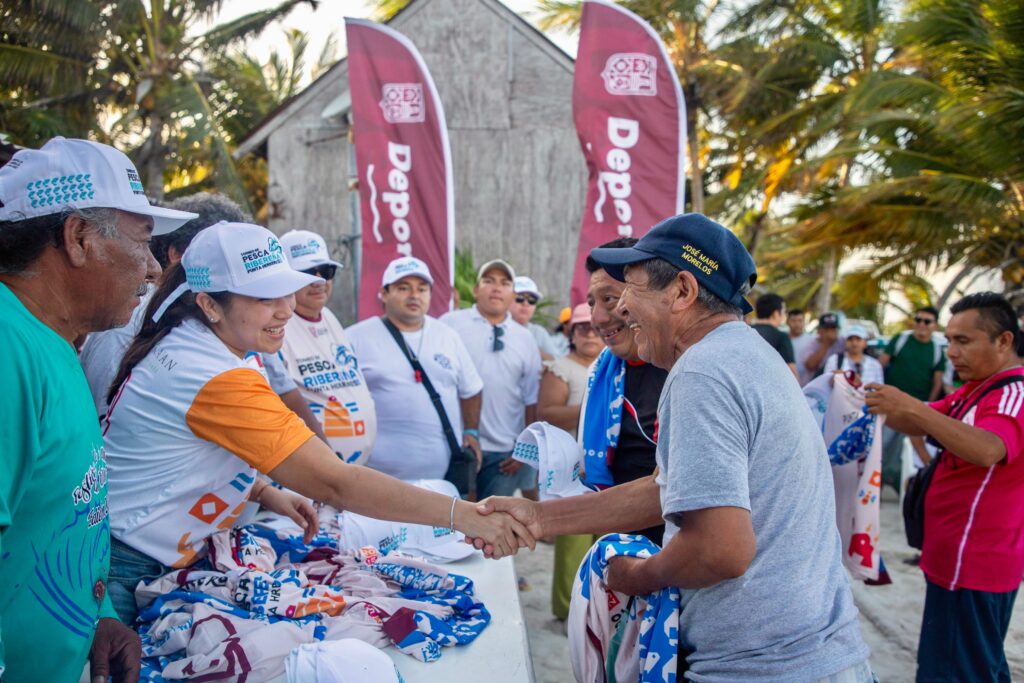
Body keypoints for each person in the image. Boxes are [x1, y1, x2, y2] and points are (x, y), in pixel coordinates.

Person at [473, 214, 871, 681]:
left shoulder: (701, 371)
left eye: (631, 289)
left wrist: (633, 575)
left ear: (682, 291)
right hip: (822, 655)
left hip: (763, 666)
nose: (620, 307)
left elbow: (720, 550)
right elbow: (667, 487)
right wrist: (539, 517)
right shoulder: (746, 353)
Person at [101, 224, 531, 624]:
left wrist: (266, 492)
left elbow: (184, 449)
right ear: (210, 304)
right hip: (132, 565)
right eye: (266, 298)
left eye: (287, 291)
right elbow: (336, 483)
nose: (287, 309)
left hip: (154, 552)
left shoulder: (216, 344)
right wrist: (465, 516)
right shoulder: (212, 373)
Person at [0, 137, 199, 682]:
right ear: (79, 238)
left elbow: (53, 510)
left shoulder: (56, 339)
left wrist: (98, 616)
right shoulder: (8, 347)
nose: (154, 270)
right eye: (143, 243)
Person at [79, 193, 326, 450]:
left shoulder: (248, 325)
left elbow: (284, 391)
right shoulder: (128, 322)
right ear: (177, 254)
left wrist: (266, 490)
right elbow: (104, 431)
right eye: (212, 255)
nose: (285, 310)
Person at [866, 292, 1024, 682]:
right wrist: (871, 401)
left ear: (1003, 341)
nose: (951, 352)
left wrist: (912, 407)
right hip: (955, 560)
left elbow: (989, 448)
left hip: (974, 563)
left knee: (953, 670)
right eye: (949, 340)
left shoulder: (1011, 394)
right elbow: (919, 422)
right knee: (978, 664)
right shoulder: (978, 389)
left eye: (963, 341)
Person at [547, 241, 669, 621]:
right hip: (621, 556)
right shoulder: (607, 370)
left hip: (671, 570)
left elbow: (670, 491)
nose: (599, 317)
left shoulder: (682, 371)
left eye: (610, 299)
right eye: (592, 302)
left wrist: (539, 517)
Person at [347, 256, 483, 481]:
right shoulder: (355, 338)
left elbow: (472, 389)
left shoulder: (448, 336)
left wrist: (471, 432)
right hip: (373, 479)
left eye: (422, 289)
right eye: (403, 288)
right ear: (384, 292)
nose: (414, 295)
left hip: (440, 481)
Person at [442, 259, 542, 499]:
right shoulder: (449, 324)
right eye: (488, 281)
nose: (496, 288)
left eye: (505, 283)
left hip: (504, 452)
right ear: (476, 290)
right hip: (456, 443)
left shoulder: (525, 338)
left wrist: (524, 450)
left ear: (512, 294)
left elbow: (531, 397)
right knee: (453, 523)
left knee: (494, 524)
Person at [277, 229, 375, 465]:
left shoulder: (328, 316)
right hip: (308, 473)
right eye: (308, 272)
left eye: (327, 272)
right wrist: (329, 460)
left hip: (344, 474)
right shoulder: (278, 325)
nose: (319, 280)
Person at [878, 306, 947, 491]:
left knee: (906, 451)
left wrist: (928, 407)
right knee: (882, 445)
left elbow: (937, 382)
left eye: (927, 321)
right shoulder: (900, 339)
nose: (921, 324)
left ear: (935, 325)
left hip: (916, 410)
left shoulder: (937, 350)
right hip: (890, 407)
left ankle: (900, 485)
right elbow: (881, 365)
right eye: (918, 320)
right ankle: (876, 484)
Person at [536, 303, 602, 432]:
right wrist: (596, 408)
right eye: (583, 328)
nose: (590, 335)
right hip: (571, 449)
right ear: (572, 336)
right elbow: (546, 415)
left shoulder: (615, 367)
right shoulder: (559, 369)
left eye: (596, 328)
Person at [750, 292, 798, 379]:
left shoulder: (743, 331)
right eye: (783, 312)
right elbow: (792, 374)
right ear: (776, 313)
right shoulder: (781, 337)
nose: (784, 316)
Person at [511, 275, 560, 360]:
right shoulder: (494, 327)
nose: (525, 304)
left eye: (532, 300)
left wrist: (535, 351)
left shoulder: (539, 333)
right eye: (520, 298)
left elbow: (557, 363)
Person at [799, 311, 843, 384]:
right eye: (827, 329)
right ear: (819, 331)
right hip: (812, 385)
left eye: (833, 328)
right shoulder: (810, 344)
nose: (830, 332)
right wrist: (826, 343)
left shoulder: (842, 342)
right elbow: (810, 365)